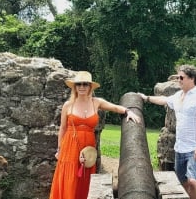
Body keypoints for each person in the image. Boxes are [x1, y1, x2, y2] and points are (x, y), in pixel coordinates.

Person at [49, 71, 140, 199]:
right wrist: (59, 149)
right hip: (70, 146)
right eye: (78, 84)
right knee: (70, 179)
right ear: (74, 87)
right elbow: (63, 128)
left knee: (85, 179)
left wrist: (127, 111)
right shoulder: (68, 105)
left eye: (85, 84)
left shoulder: (96, 102)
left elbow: (114, 108)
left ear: (90, 87)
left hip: (88, 148)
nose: (81, 87)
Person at [138, 65, 196, 199]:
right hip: (180, 147)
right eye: (178, 77)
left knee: (193, 181)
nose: (179, 80)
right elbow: (164, 100)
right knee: (181, 183)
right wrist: (146, 98)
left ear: (192, 78)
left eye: (181, 77)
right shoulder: (178, 95)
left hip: (195, 147)